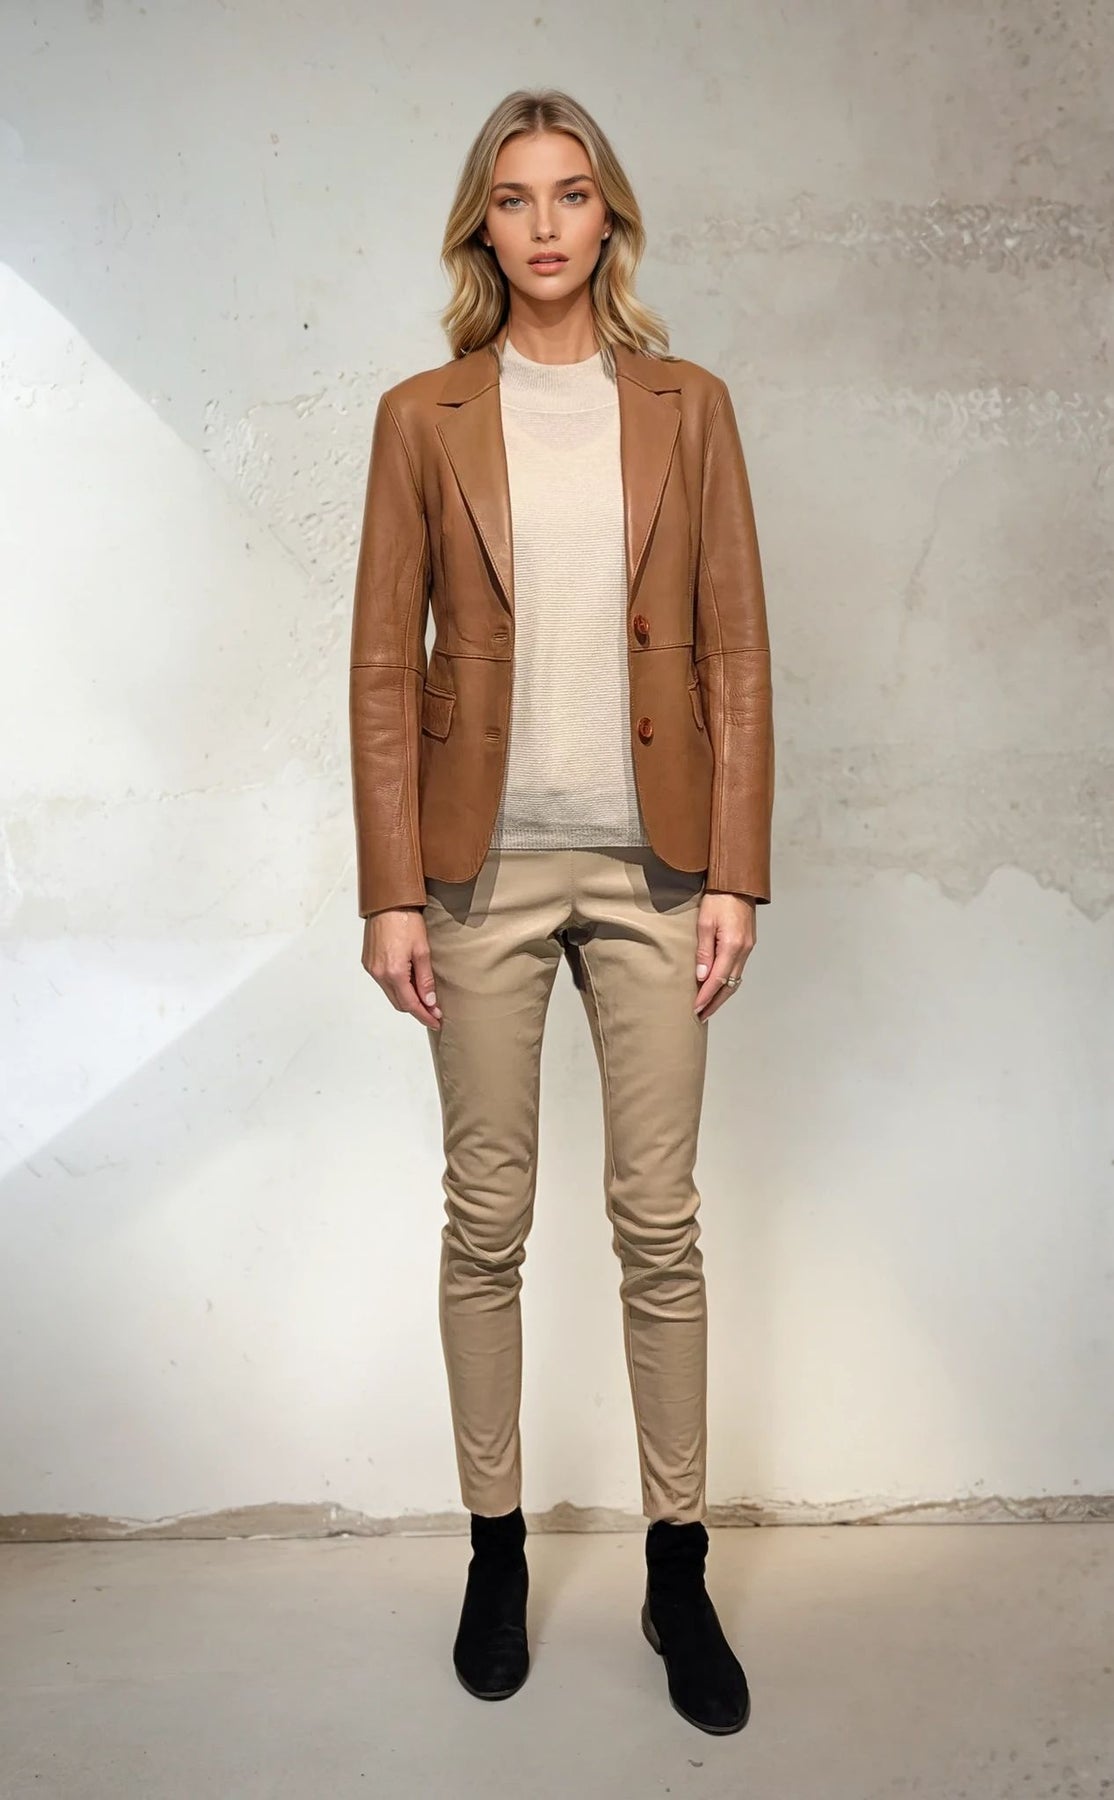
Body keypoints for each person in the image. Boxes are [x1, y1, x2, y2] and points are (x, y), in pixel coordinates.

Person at [348, 87, 774, 1737]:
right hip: (481, 874)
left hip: (658, 868)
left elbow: (734, 648)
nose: (544, 223)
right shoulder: (421, 417)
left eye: (572, 194)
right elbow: (385, 665)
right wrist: (392, 890)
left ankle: (677, 1567)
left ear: (610, 218)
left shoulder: (688, 405)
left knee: (657, 1223)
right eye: (515, 197)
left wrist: (733, 869)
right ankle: (493, 1550)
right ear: (484, 223)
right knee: (487, 1221)